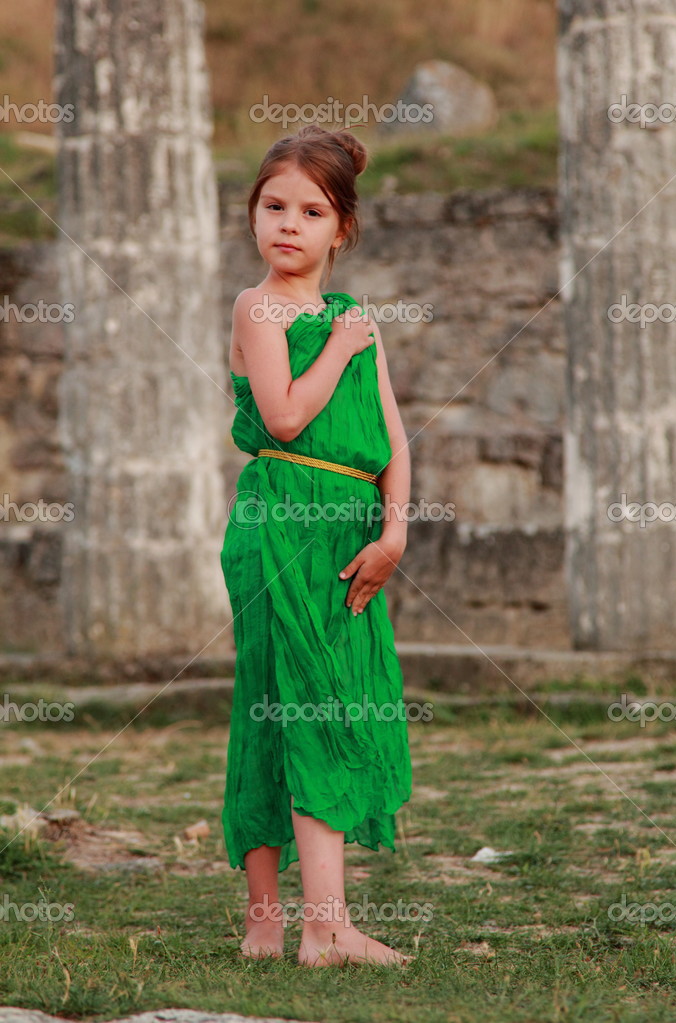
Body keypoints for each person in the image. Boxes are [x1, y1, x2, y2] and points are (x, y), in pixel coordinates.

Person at [220, 123, 413, 968]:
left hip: (349, 530)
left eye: (311, 210)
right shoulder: (259, 308)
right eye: (273, 206)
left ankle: (274, 929)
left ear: (343, 228)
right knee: (296, 703)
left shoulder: (354, 318)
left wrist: (396, 530)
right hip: (280, 518)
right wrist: (338, 344)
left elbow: (393, 436)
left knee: (321, 699)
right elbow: (286, 415)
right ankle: (317, 927)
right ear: (254, 216)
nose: (288, 224)